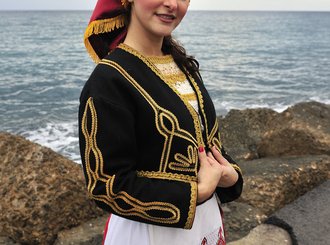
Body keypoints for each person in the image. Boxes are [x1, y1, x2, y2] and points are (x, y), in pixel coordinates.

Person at [79, 0, 243, 244]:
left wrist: (230, 176)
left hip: (206, 224)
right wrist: (197, 193)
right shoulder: (109, 80)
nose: (172, 4)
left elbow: (206, 143)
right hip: (147, 234)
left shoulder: (184, 66)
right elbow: (106, 186)